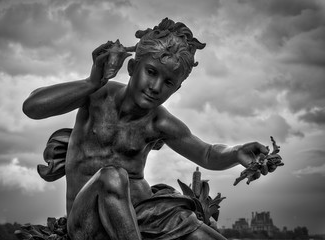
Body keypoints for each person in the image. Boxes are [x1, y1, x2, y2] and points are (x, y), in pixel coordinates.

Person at [23, 18, 270, 240]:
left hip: (145, 218)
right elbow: (32, 107)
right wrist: (91, 82)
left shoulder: (159, 122)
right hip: (88, 223)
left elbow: (206, 153)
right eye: (151, 72)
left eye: (168, 82)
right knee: (112, 176)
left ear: (176, 89)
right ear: (132, 68)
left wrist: (237, 152)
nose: (155, 87)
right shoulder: (97, 96)